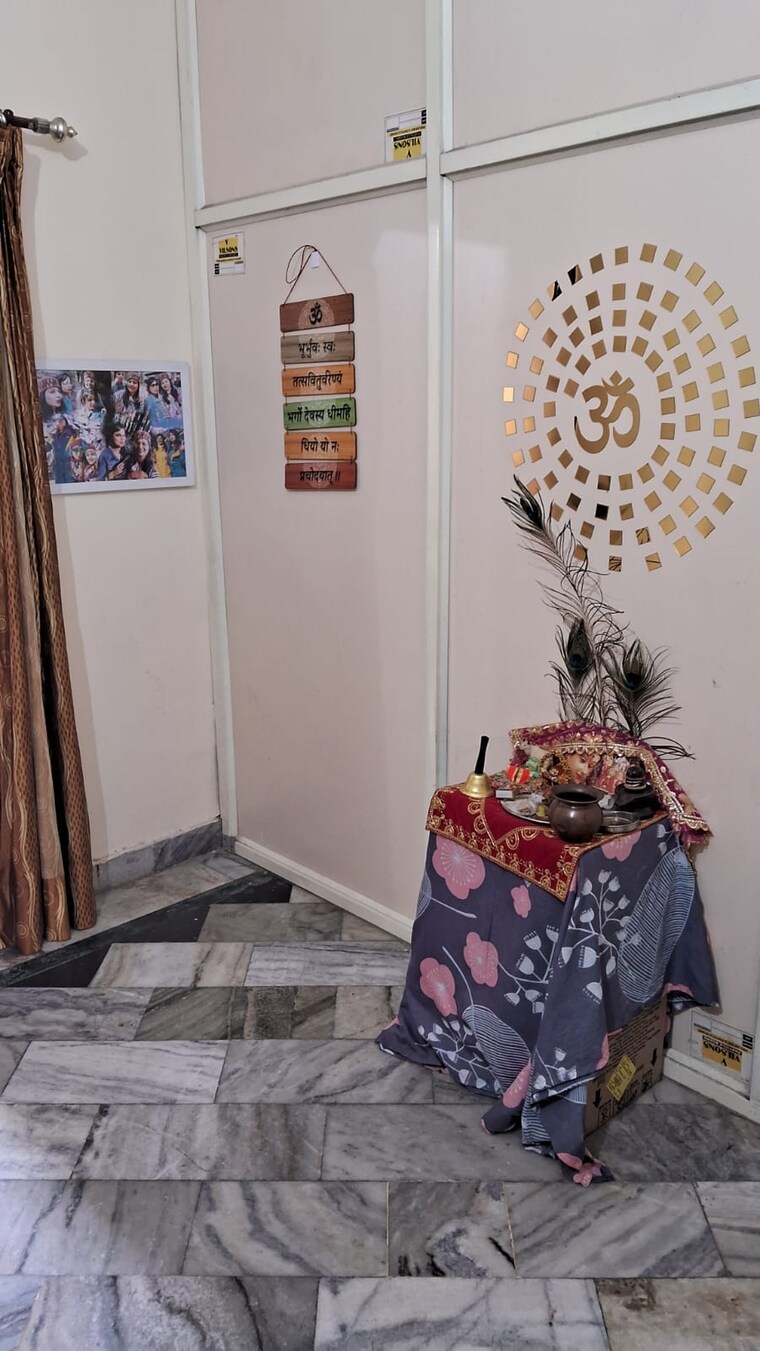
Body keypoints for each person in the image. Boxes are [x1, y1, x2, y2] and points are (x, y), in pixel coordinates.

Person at [51, 413, 74, 484]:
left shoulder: (70, 432)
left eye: (62, 420)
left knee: (68, 479)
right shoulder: (54, 435)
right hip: (57, 460)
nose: (60, 422)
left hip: (67, 459)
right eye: (58, 420)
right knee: (59, 480)